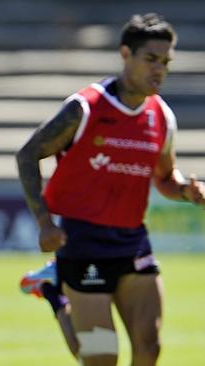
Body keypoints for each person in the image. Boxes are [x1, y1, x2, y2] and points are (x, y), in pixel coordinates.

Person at [16, 13, 205, 366]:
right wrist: (44, 222)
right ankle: (54, 292)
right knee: (102, 358)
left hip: (132, 239)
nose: (159, 69)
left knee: (149, 348)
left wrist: (187, 191)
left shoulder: (161, 116)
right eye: (151, 59)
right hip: (82, 240)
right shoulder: (85, 107)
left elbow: (165, 178)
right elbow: (28, 154)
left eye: (165, 62)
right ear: (125, 54)